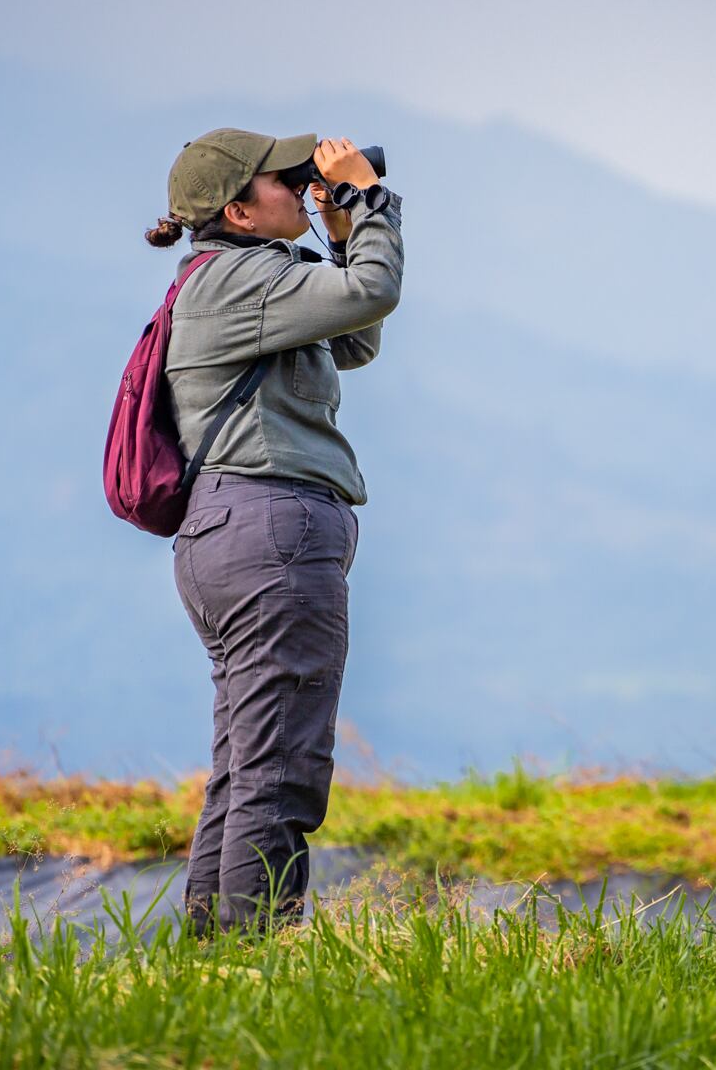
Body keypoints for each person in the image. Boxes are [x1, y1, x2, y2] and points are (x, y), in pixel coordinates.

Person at [145, 129, 404, 934]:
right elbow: (372, 293)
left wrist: (335, 221)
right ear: (238, 210)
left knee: (248, 765)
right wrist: (368, 201)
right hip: (270, 531)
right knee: (281, 765)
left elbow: (351, 339)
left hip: (239, 531)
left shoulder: (241, 277)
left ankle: (215, 960)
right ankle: (260, 958)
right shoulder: (240, 280)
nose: (298, 186)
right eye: (281, 181)